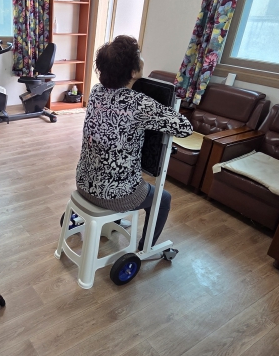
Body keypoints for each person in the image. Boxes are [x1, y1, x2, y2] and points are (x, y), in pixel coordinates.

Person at [76, 35, 193, 251]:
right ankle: (144, 249)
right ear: (132, 72)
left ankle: (115, 221)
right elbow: (185, 128)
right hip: (114, 196)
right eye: (139, 56)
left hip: (83, 183)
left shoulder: (96, 91)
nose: (142, 58)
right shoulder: (138, 104)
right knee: (163, 198)